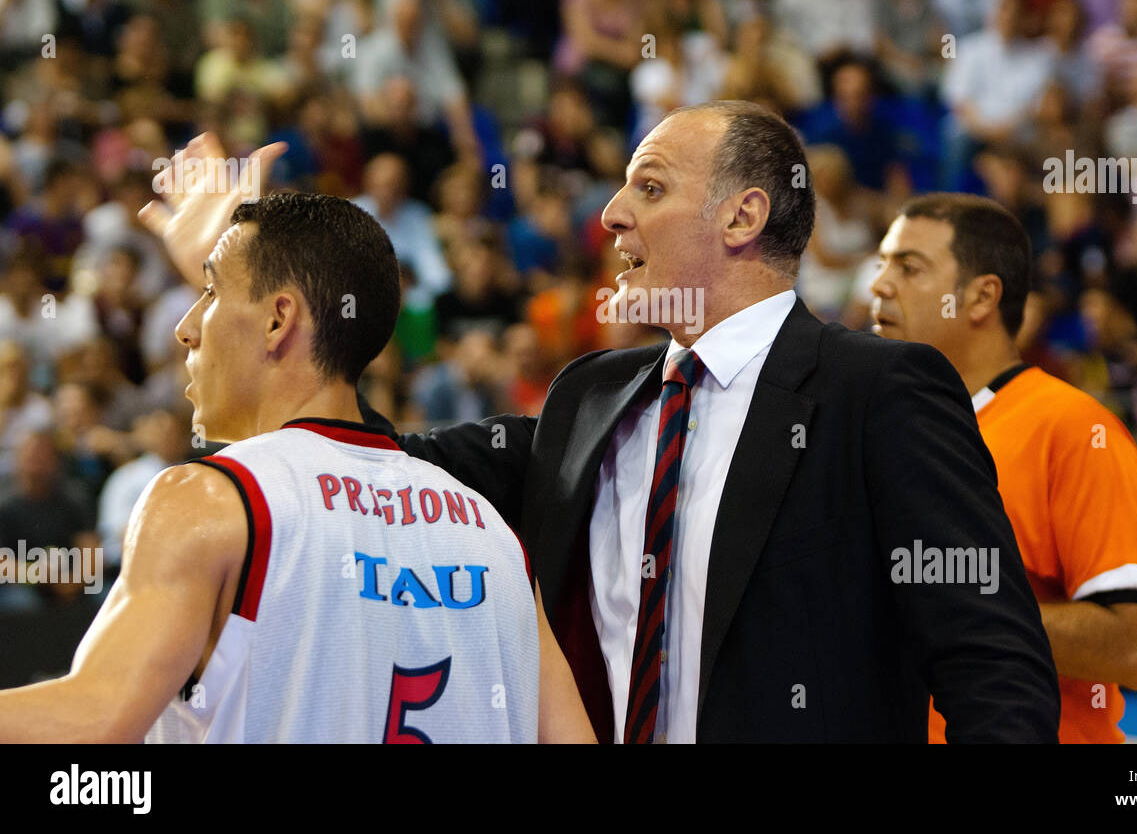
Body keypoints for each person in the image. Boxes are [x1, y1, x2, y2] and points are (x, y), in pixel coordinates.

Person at [140, 115, 1060, 743]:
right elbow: (371, 468)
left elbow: (993, 663)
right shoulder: (592, 396)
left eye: (648, 187)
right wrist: (250, 295)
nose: (612, 213)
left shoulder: (879, 390)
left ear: (744, 215)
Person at [0, 186, 593, 744]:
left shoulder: (208, 500)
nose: (185, 328)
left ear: (279, 319)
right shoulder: (493, 538)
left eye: (208, 293)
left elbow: (95, 720)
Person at [869, 194, 1137, 742]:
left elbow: (1133, 646)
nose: (879, 285)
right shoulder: (872, 426)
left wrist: (947, 614)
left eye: (909, 267)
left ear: (982, 297)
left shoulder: (1074, 429)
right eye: (882, 263)